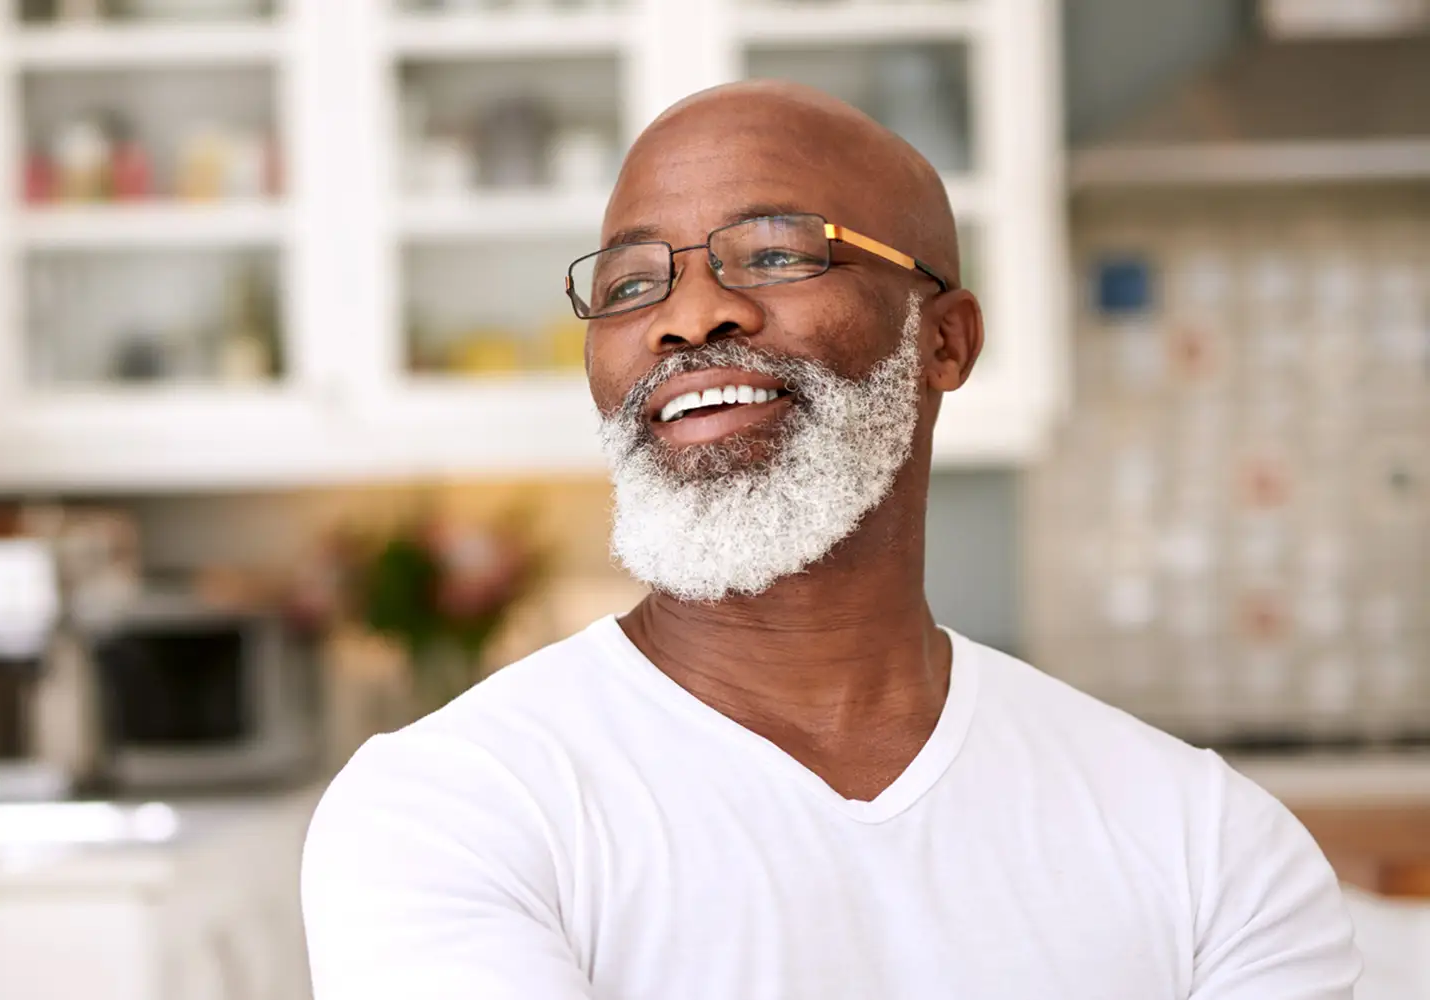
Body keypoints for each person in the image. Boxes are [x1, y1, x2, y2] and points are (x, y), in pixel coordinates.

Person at [302, 81, 1360, 999]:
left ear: (943, 339)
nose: (688, 315)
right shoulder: (454, 808)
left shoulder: (1206, 844)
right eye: (630, 284)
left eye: (772, 253)